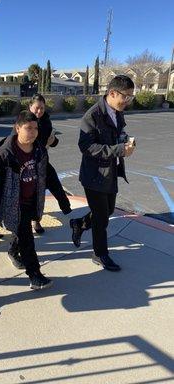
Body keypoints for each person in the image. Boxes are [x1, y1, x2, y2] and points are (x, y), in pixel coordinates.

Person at [0, 111, 59, 289]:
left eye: (35, 128)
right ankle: (35, 275)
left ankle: (12, 251)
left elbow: (49, 176)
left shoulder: (39, 150)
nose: (33, 132)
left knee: (23, 234)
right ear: (17, 128)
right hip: (14, 205)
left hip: (31, 201)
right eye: (28, 128)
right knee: (28, 240)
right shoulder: (6, 154)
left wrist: (63, 201)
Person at [70, 75, 136, 271]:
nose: (128, 101)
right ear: (113, 93)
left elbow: (118, 134)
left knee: (106, 212)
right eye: (126, 96)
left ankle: (80, 223)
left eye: (131, 97)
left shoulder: (117, 111)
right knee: (101, 219)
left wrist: (126, 142)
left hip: (110, 172)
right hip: (94, 175)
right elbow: (86, 147)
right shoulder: (92, 116)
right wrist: (118, 149)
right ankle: (100, 253)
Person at [0, 93, 71, 234]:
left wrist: (51, 141)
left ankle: (40, 219)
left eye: (42, 108)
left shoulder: (46, 120)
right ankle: (11, 221)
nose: (39, 111)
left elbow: (52, 140)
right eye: (36, 108)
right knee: (20, 192)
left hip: (40, 160)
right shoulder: (23, 121)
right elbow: (11, 141)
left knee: (50, 184)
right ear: (30, 106)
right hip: (22, 162)